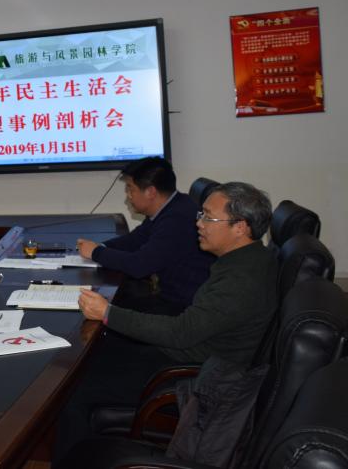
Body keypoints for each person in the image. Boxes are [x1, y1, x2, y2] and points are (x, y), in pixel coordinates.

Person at [53, 181, 279, 461]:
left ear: (240, 227)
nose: (199, 223)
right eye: (201, 214)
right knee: (86, 356)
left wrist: (107, 312)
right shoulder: (247, 259)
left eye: (208, 217)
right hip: (191, 355)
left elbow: (181, 333)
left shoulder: (241, 280)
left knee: (71, 389)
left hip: (192, 375)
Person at [76, 157, 212, 313]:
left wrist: (96, 252)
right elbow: (136, 239)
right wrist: (101, 246)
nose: (128, 196)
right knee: (110, 298)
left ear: (150, 192)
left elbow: (139, 266)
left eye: (130, 189)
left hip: (182, 308)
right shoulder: (173, 205)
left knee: (100, 307)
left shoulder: (177, 219)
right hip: (171, 296)